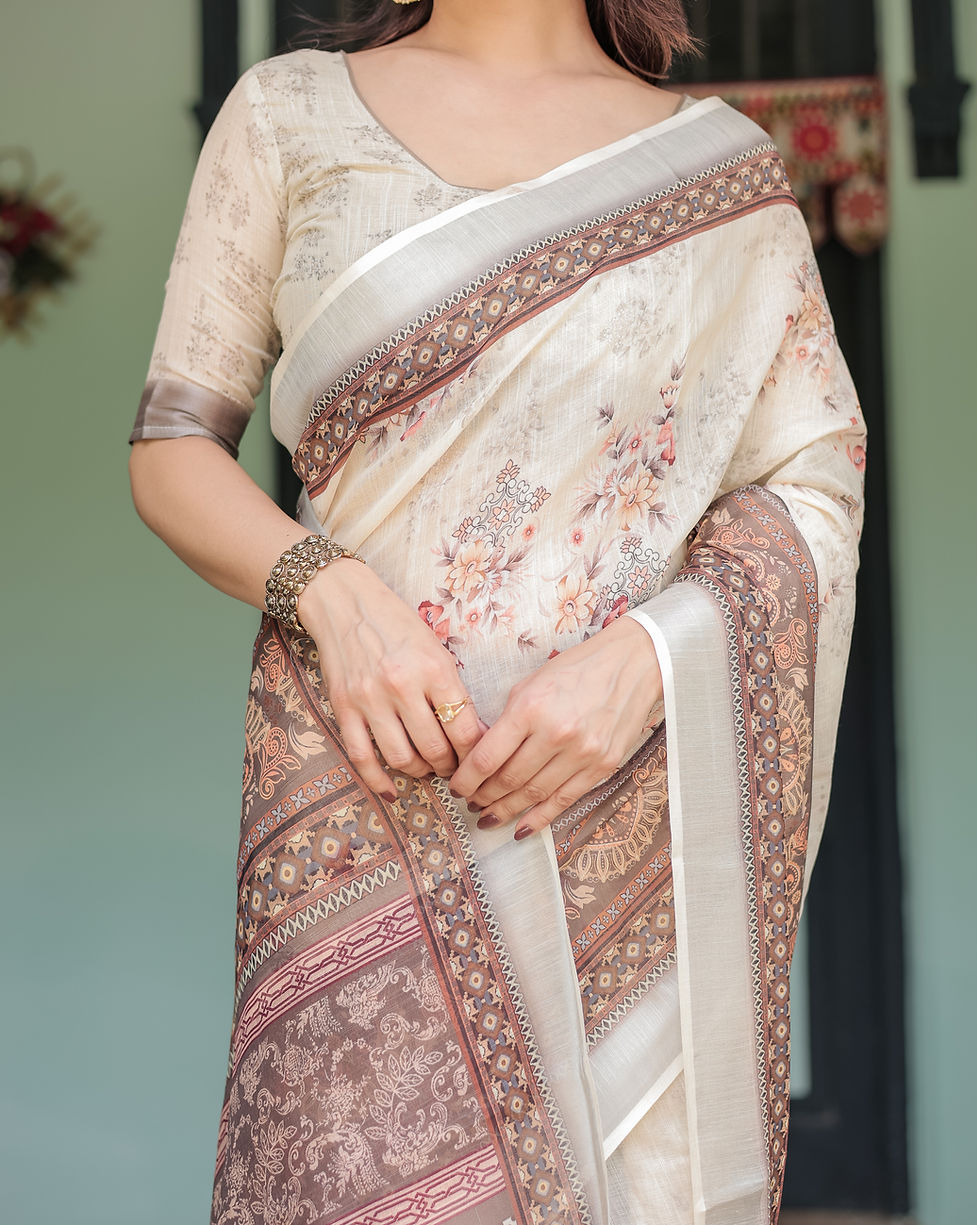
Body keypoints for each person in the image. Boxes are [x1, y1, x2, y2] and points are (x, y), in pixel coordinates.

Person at [128, 2, 865, 1222]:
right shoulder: (288, 117)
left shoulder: (720, 169)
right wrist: (335, 597)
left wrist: (645, 657)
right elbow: (171, 450)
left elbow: (812, 479)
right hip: (363, 803)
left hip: (626, 815)